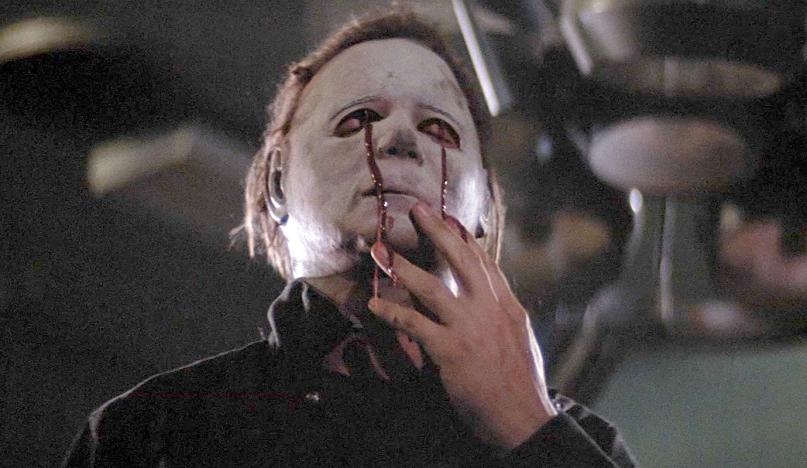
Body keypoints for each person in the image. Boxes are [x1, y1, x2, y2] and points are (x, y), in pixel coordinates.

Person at [63, 9, 636, 467]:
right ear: (279, 182)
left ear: (484, 203)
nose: (400, 138)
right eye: (358, 119)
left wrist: (530, 431)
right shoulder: (156, 431)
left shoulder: (580, 442)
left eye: (439, 129)